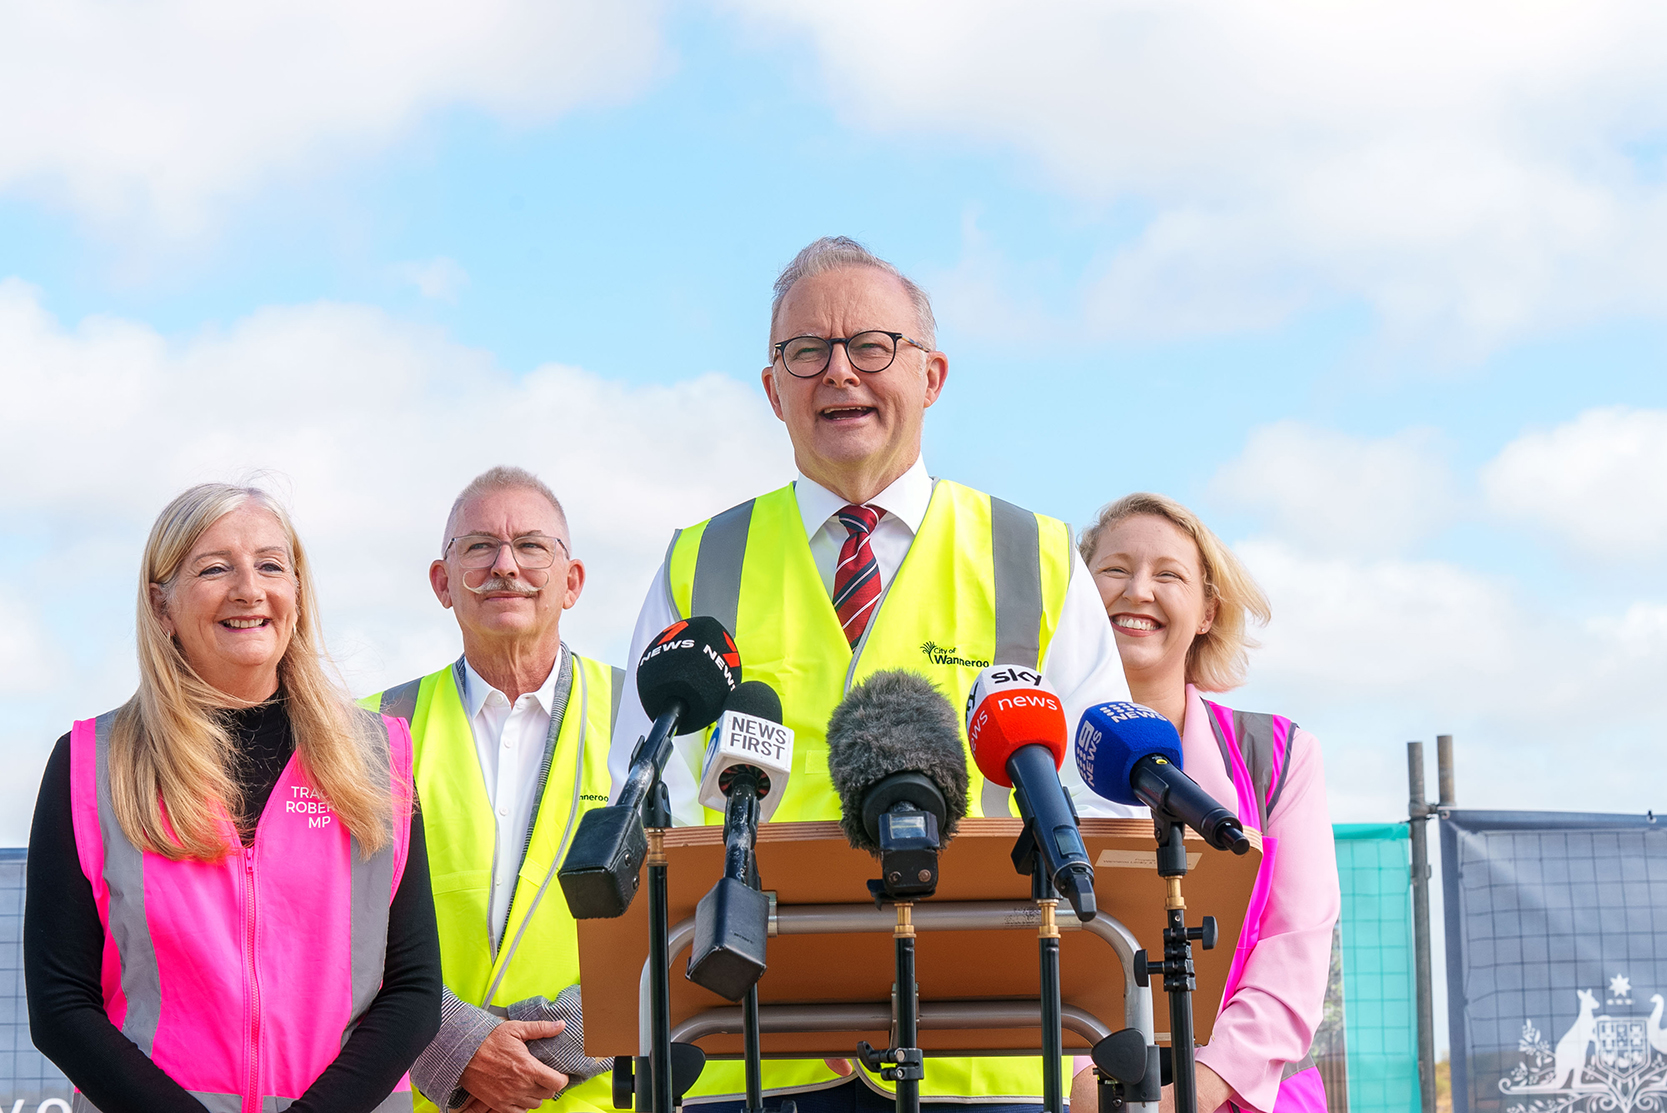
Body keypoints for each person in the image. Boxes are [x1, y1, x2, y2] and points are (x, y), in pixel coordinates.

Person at [612, 237, 1140, 1112]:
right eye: (805, 352)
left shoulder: (1034, 558)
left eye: (871, 347)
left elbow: (1103, 807)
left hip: (987, 1057)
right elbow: (643, 796)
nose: (838, 373)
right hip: (749, 1055)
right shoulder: (699, 562)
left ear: (931, 375)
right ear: (772, 388)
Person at [24, 482, 441, 1112]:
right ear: (161, 604)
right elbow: (60, 1006)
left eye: (271, 565)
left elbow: (413, 992)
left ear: (296, 593)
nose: (249, 589)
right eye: (215, 569)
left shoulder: (377, 758)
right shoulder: (92, 764)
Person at [363, 467, 623, 1113]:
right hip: (421, 1095)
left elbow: (689, 912)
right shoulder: (362, 732)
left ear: (573, 582)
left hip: (598, 1095)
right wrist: (455, 1049)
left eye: (532, 545)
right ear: (441, 582)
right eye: (478, 546)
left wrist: (547, 1056)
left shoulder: (646, 717)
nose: (506, 565)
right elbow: (331, 924)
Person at [1072, 492, 1339, 1113]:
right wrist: (1076, 1081)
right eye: (1114, 570)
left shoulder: (1280, 756)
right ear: (1079, 596)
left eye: (1169, 574)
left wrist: (1194, 1093)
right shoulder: (1021, 755)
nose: (1139, 591)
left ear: (1206, 612)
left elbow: (1294, 950)